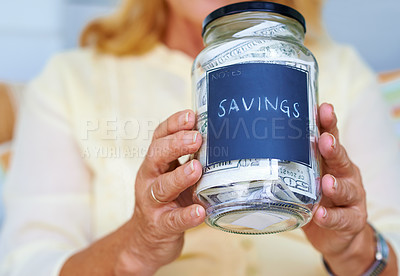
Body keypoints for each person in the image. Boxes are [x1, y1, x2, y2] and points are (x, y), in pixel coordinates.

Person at [0, 0, 399, 275]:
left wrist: (356, 251)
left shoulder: (340, 70)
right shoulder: (69, 81)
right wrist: (134, 248)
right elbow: (28, 263)